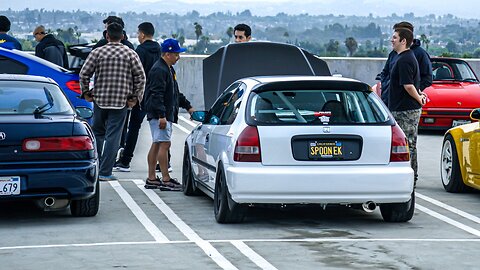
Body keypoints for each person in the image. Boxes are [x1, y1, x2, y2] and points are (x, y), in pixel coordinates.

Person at [79, 22, 145, 181]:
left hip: (100, 100)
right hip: (121, 101)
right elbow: (141, 77)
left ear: (107, 36)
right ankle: (105, 172)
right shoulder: (130, 53)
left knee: (97, 134)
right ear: (122, 36)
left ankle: (95, 168)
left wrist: (86, 92)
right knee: (113, 137)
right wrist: (135, 98)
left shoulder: (98, 52)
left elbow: (84, 74)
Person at [143, 38, 194, 190]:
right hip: (160, 114)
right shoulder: (160, 70)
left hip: (161, 113)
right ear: (166, 54)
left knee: (158, 143)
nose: (178, 57)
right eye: (176, 54)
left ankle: (152, 178)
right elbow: (156, 94)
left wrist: (188, 106)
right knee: (164, 144)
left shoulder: (168, 69)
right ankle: (166, 179)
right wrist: (161, 115)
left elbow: (174, 93)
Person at [114, 22, 161, 172]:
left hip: (142, 95)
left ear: (142, 34)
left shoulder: (140, 50)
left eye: (138, 33)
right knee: (159, 131)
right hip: (156, 95)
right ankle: (165, 162)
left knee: (134, 127)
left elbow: (135, 74)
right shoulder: (160, 50)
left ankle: (126, 161)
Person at [388, 27, 427, 188]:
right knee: (406, 143)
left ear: (404, 41)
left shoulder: (405, 59)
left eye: (395, 37)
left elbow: (408, 85)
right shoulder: (401, 57)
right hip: (399, 108)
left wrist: (419, 99)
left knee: (407, 144)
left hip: (406, 110)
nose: (392, 40)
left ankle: (410, 178)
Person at [379, 21, 432, 106]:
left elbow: (427, 78)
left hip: (406, 104)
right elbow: (385, 73)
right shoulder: (394, 54)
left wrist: (414, 90)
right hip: (390, 101)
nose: (392, 40)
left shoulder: (419, 54)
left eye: (396, 37)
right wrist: (386, 86)